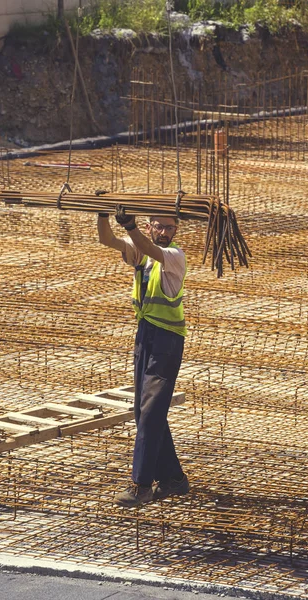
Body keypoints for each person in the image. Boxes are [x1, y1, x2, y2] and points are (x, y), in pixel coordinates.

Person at [97, 206, 189, 507]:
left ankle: (142, 485)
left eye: (170, 228)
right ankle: (174, 480)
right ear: (150, 226)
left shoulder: (174, 256)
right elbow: (107, 240)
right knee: (143, 411)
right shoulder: (142, 254)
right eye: (160, 227)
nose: (165, 232)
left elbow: (146, 245)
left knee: (150, 413)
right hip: (146, 336)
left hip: (167, 340)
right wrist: (102, 214)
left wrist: (130, 227)